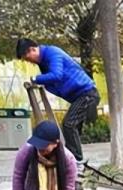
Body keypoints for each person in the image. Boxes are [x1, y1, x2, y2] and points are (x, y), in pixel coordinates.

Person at [16, 38, 99, 166]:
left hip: (86, 93)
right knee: (72, 129)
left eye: (27, 58)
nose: (29, 62)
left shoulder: (52, 53)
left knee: (69, 124)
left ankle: (76, 162)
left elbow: (57, 75)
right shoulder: (44, 62)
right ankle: (72, 161)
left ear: (33, 49)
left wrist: (35, 79)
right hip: (79, 96)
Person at [10, 120, 77, 190]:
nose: (40, 148)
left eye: (44, 145)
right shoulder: (27, 150)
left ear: (56, 143)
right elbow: (18, 176)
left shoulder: (68, 159)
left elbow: (69, 185)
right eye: (38, 144)